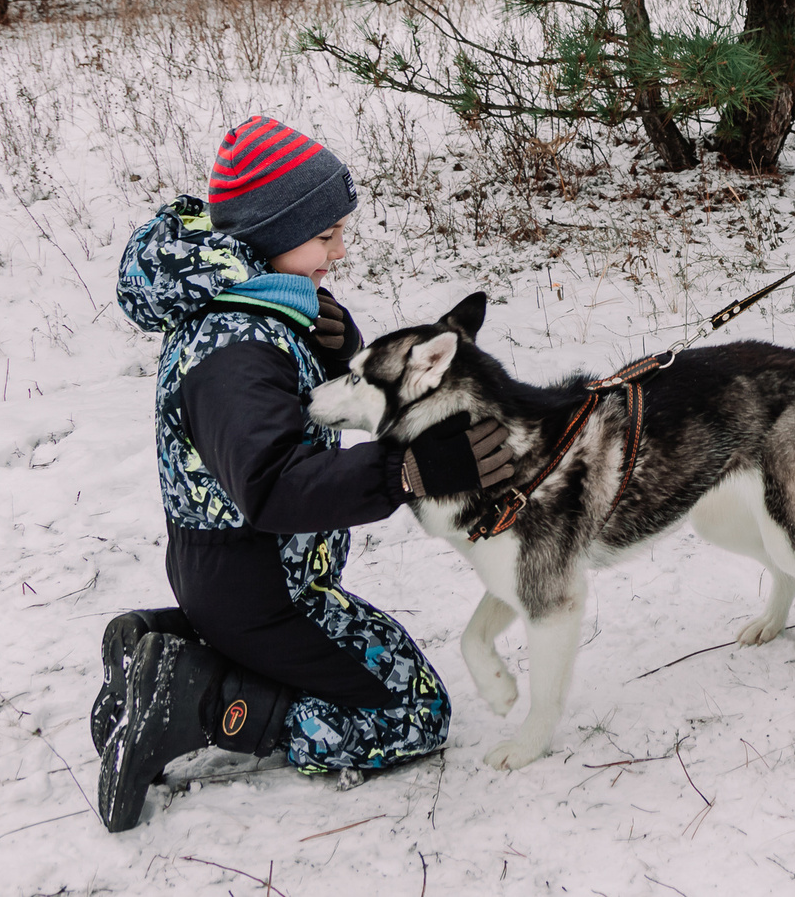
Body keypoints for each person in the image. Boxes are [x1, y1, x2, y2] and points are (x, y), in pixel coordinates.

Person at [95, 117, 516, 829]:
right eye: (325, 236)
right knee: (412, 713)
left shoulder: (257, 305)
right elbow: (272, 485)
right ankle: (204, 701)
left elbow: (298, 407)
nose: (338, 251)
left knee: (389, 682)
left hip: (246, 579)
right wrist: (409, 467)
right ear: (269, 229)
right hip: (262, 588)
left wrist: (338, 345)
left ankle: (165, 646)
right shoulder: (234, 345)